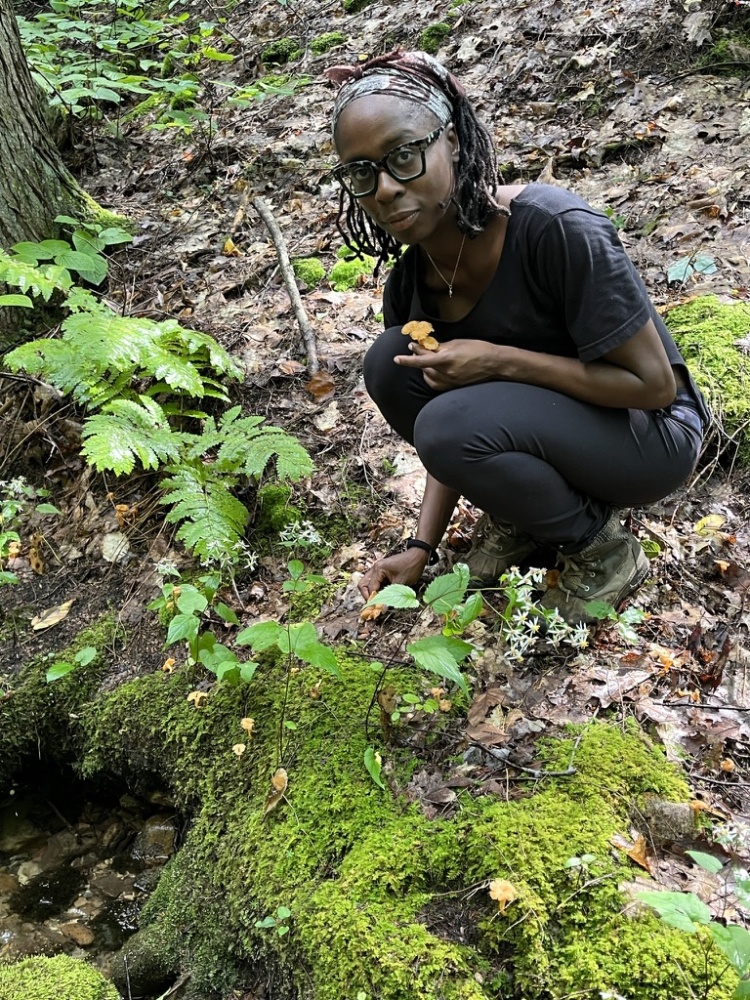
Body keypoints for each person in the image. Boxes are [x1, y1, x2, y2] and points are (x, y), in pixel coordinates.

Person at [325, 50, 708, 624]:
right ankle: (523, 514)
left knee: (445, 413)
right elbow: (445, 432)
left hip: (649, 437)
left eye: (403, 156)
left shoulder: (553, 228)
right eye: (361, 172)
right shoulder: (410, 284)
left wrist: (499, 361)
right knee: (389, 363)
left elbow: (654, 387)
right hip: (550, 430)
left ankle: (602, 550)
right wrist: (422, 546)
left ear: (452, 141)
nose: (383, 189)